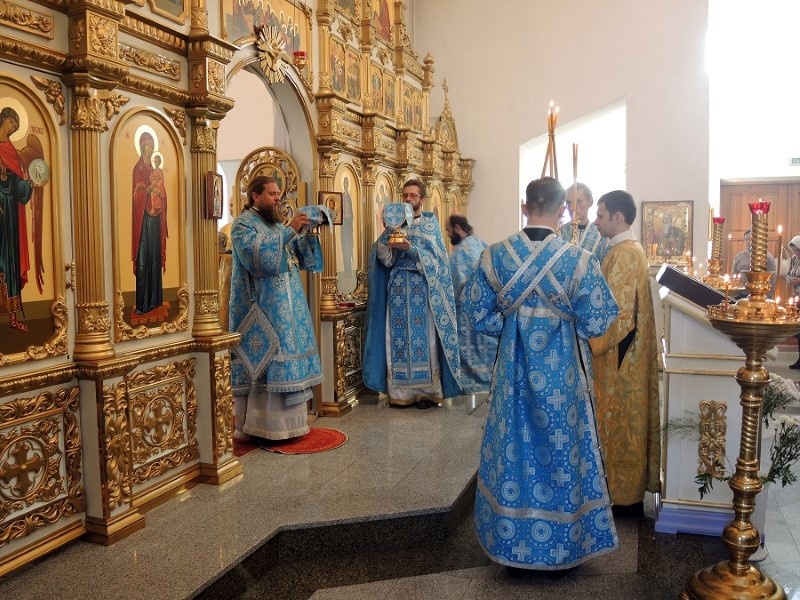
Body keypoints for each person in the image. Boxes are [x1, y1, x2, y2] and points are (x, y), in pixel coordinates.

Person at [462, 177, 620, 574]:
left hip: (511, 377)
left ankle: (512, 542)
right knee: (564, 451)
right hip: (564, 379)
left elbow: (476, 312)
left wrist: (511, 331)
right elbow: (599, 320)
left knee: (514, 448)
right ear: (563, 210)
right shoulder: (578, 260)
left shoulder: (495, 256)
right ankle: (565, 546)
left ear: (524, 206)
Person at [229, 175, 324, 440]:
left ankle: (292, 425)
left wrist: (307, 232)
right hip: (263, 309)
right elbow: (259, 260)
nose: (277, 198)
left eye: (278, 193)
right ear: (255, 195)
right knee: (268, 362)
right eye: (272, 194)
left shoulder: (275, 224)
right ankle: (264, 426)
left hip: (288, 308)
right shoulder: (242, 225)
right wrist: (290, 229)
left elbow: (298, 257)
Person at [591, 190, 660, 513]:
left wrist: (590, 340)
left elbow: (618, 316)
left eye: (600, 215)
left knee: (619, 424)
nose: (596, 221)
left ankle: (621, 496)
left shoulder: (624, 254)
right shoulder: (627, 250)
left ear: (617, 217)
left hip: (620, 360)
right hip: (626, 355)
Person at [363, 178, 460, 408]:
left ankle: (427, 393)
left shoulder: (429, 226)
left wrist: (411, 249)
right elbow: (386, 261)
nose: (408, 199)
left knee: (425, 342)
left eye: (413, 195)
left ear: (421, 200)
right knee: (395, 340)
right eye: (405, 195)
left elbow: (437, 264)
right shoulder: (395, 225)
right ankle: (400, 393)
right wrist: (386, 238)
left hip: (421, 291)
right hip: (397, 290)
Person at [446, 214, 498, 394]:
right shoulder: (479, 242)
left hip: (468, 315)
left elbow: (458, 283)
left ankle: (472, 385)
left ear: (457, 228)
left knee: (470, 351)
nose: (448, 234)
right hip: (487, 310)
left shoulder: (462, 251)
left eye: (448, 230)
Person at [0, 107, 35, 332]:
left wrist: (30, 183)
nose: (12, 127)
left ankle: (12, 318)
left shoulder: (11, 149)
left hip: (10, 212)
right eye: (11, 122)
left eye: (15, 125)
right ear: (3, 119)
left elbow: (15, 184)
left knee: (11, 259)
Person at [132, 132, 168, 315]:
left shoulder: (156, 171)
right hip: (143, 220)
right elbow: (136, 196)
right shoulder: (138, 169)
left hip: (155, 218)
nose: (149, 149)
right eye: (147, 145)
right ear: (141, 147)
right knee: (143, 258)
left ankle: (155, 301)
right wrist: (148, 189)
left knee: (154, 257)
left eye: (151, 146)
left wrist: (161, 195)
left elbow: (163, 192)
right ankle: (143, 304)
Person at [558, 182, 610, 263]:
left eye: (578, 202)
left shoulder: (601, 235)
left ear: (590, 202)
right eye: (568, 202)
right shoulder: (559, 233)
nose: (572, 208)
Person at [732, 228, 777, 294]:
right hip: (741, 292)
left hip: (760, 293)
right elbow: (734, 274)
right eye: (746, 239)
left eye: (750, 239)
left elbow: (772, 277)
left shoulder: (767, 257)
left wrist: (768, 295)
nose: (748, 242)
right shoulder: (739, 256)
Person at [786, 235, 800, 369]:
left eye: (798, 250)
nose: (796, 252)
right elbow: (788, 275)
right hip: (797, 296)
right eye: (794, 250)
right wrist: (791, 280)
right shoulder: (794, 259)